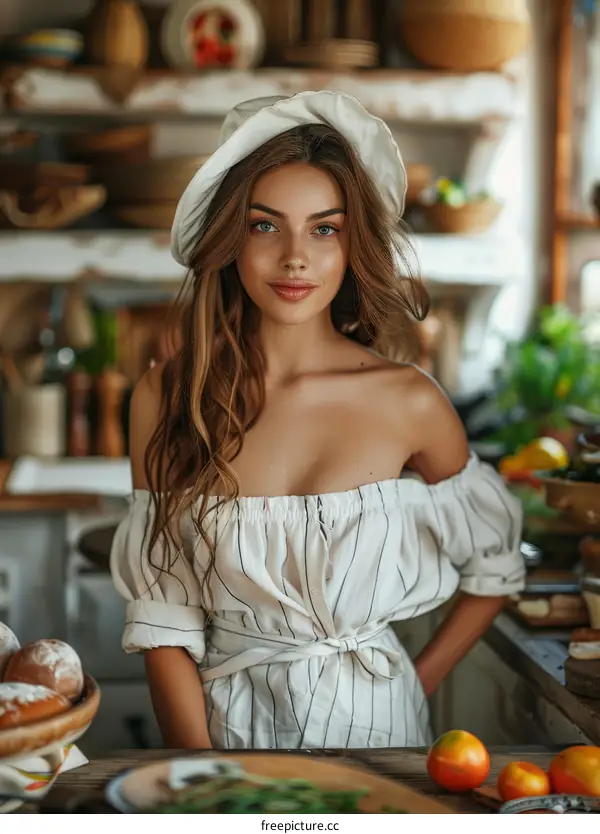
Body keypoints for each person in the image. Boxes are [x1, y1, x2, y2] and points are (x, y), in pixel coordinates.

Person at [110, 90, 526, 751]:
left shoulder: (409, 401)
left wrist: (412, 688)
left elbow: (494, 569)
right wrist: (207, 780)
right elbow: (164, 620)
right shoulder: (168, 396)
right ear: (229, 239)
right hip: (226, 735)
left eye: (324, 228)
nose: (296, 257)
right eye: (265, 225)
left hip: (383, 737)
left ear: (351, 244)